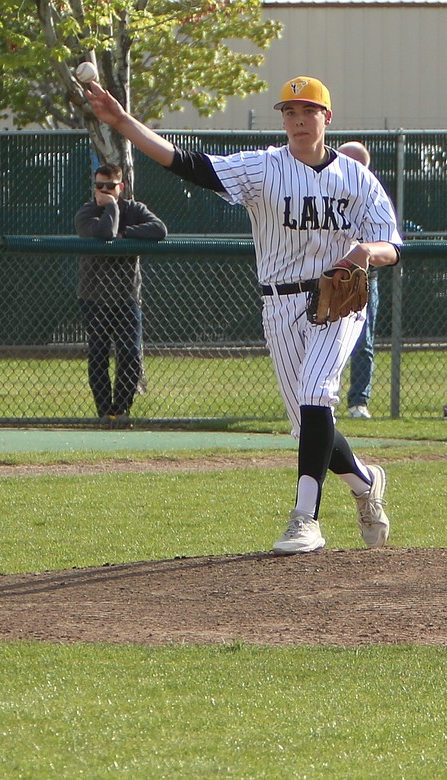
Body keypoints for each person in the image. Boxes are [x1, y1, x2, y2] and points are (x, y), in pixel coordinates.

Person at [85, 76, 400, 554]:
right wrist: (123, 122)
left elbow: (393, 246)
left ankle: (304, 519)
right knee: (309, 424)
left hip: (337, 302)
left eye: (307, 111)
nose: (297, 120)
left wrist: (365, 252)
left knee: (318, 393)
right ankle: (363, 483)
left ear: (326, 119)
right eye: (289, 112)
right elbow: (187, 164)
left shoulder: (358, 179)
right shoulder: (264, 168)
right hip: (279, 305)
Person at [74, 163, 167, 429]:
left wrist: (125, 233)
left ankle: (122, 411)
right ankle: (104, 412)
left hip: (127, 296)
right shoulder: (87, 212)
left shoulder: (134, 209)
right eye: (99, 186)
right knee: (99, 353)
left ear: (121, 186)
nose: (104, 191)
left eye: (110, 187)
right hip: (94, 296)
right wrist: (111, 208)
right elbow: (104, 234)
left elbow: (159, 229)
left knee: (129, 354)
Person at [336, 141, 380, 419]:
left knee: (363, 342)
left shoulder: (372, 196)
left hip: (363, 278)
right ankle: (318, 399)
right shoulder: (319, 189)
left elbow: (384, 242)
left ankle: (358, 402)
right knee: (320, 341)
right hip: (323, 276)